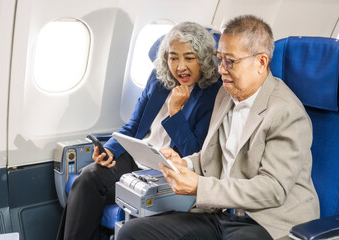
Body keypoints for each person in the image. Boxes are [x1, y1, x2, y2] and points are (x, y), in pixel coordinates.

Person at [116, 15, 320, 240]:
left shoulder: (286, 112)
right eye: (219, 59)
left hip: (266, 221)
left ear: (261, 62)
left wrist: (199, 187)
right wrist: (182, 163)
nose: (221, 70)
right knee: (132, 233)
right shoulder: (225, 94)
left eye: (230, 61)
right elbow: (210, 157)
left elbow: (272, 189)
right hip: (220, 213)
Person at [56, 21, 221, 240]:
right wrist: (109, 150)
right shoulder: (159, 79)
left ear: (202, 59)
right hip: (138, 158)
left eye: (189, 58)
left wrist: (175, 112)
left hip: (169, 170)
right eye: (173, 58)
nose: (180, 67)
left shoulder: (212, 93)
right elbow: (133, 126)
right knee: (88, 179)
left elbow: (194, 151)